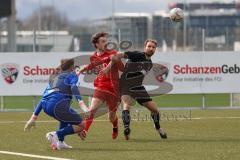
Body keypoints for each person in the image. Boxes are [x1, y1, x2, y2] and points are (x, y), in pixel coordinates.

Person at [24, 58, 88, 150]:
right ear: (71, 67)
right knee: (82, 125)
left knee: (64, 118)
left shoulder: (54, 78)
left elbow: (44, 98)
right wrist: (82, 104)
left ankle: (60, 143)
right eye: (73, 66)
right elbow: (74, 87)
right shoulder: (72, 75)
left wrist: (33, 118)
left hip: (46, 106)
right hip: (58, 105)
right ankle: (55, 135)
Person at [110, 39, 167, 140]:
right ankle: (127, 128)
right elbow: (119, 55)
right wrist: (108, 67)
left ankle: (157, 127)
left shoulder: (149, 64)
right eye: (149, 46)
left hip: (137, 87)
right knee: (127, 104)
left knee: (155, 110)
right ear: (144, 47)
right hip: (125, 85)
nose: (151, 49)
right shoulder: (137, 55)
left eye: (153, 47)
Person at [79, 32, 124, 139]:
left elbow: (118, 64)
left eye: (106, 41)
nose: (106, 43)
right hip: (101, 86)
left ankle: (115, 126)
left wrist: (114, 62)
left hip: (114, 88)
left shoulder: (112, 53)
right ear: (96, 44)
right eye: (103, 41)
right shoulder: (93, 57)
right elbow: (93, 65)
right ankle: (85, 130)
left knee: (111, 117)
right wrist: (83, 69)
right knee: (92, 110)